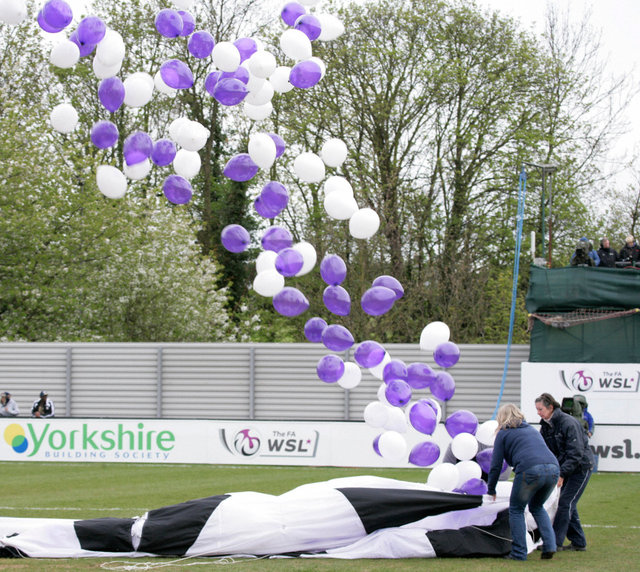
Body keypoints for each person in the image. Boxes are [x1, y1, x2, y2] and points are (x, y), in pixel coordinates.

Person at [487, 404, 559, 561]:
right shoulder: (531, 430)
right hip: (553, 469)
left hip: (530, 470)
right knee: (537, 507)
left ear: (501, 417)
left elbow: (496, 465)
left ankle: (519, 553)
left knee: (516, 509)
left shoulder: (503, 433)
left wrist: (491, 488)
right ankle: (550, 545)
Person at [535, 393, 594, 552]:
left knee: (565, 503)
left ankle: (555, 542)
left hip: (581, 467)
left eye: (540, 409)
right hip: (566, 467)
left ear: (550, 407)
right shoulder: (546, 426)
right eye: (537, 410)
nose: (538, 413)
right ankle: (579, 542)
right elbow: (545, 450)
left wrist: (561, 474)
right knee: (567, 504)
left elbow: (576, 454)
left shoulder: (569, 423)